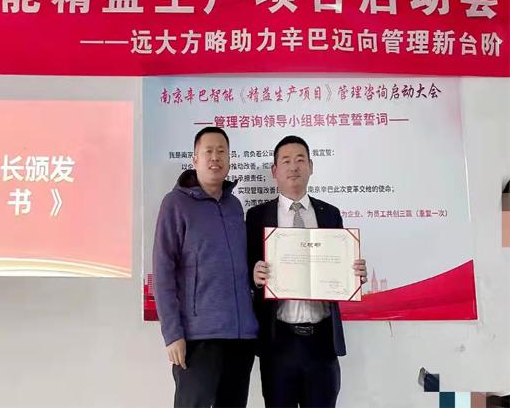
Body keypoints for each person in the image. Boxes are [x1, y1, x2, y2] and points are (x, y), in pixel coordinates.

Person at [247, 136, 368, 408]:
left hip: (322, 342)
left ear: (311, 166)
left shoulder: (330, 214)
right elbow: (244, 271)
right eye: (286, 161)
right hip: (278, 342)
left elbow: (340, 266)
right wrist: (254, 276)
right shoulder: (256, 217)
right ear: (275, 171)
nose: (294, 167)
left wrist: (354, 273)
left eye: (300, 160)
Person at [153, 127, 258, 408]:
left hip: (240, 337)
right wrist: (173, 334)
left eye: (221, 151)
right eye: (208, 151)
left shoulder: (234, 206)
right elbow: (163, 271)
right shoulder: (175, 204)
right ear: (195, 159)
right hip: (198, 338)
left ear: (229, 159)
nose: (215, 157)